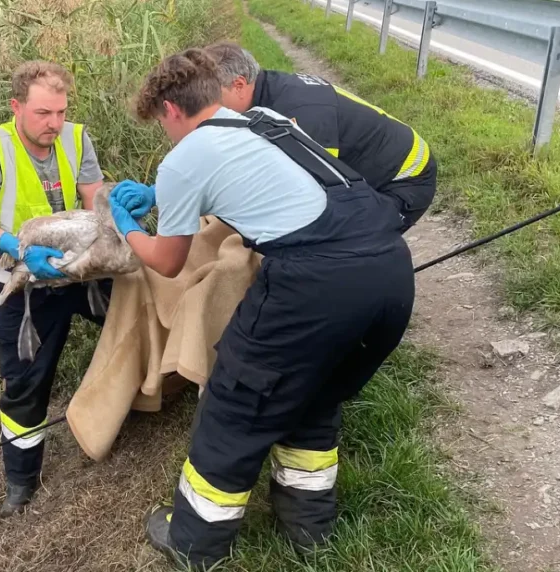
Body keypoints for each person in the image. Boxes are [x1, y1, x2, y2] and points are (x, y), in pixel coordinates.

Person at [107, 48, 416, 568]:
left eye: (161, 123)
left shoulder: (182, 157)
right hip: (389, 270)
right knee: (315, 389)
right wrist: (161, 193)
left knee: (237, 400)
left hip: (316, 283)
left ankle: (194, 542)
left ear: (170, 110)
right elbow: (258, 180)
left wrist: (127, 226)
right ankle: (309, 526)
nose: (166, 134)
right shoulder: (266, 120)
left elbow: (166, 260)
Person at [0, 60, 109, 517]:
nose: (54, 125)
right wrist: (17, 248)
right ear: (16, 106)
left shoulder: (76, 138)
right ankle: (21, 482)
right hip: (24, 290)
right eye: (42, 114)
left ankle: (144, 401)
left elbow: (94, 200)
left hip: (77, 275)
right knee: (25, 384)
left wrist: (119, 204)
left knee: (134, 312)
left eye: (60, 112)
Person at [205, 41, 437, 233]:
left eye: (212, 97)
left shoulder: (299, 110)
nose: (208, 107)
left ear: (239, 85)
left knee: (334, 241)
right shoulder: (269, 89)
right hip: (374, 163)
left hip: (405, 178)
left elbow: (322, 192)